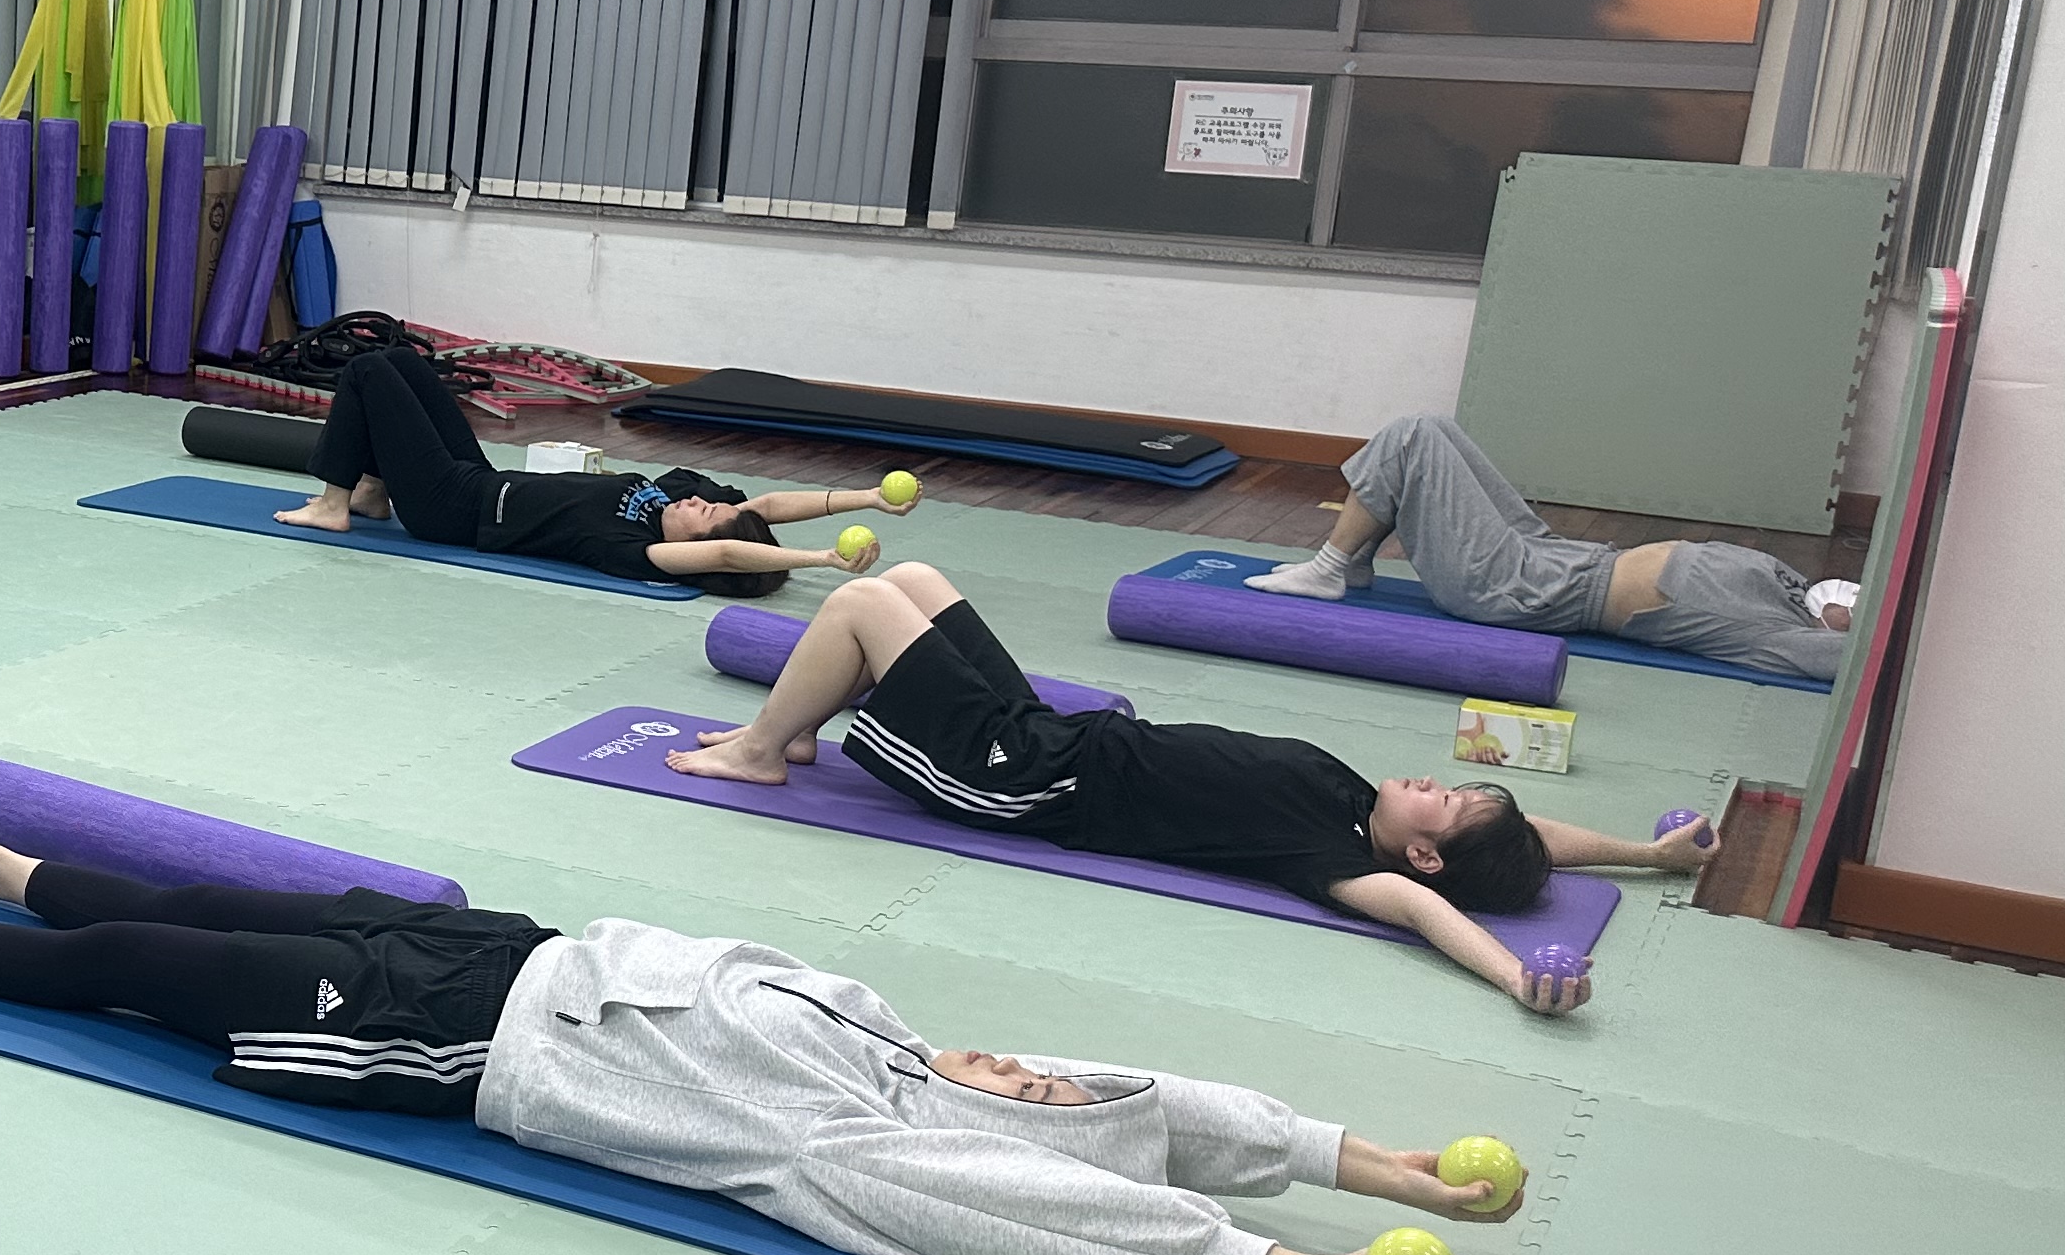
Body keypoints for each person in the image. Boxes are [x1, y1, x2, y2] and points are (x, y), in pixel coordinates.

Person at [0, 767, 1506, 1255]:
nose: (1032, 1072)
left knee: (153, 966)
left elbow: (1074, 1210)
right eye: (1048, 1073)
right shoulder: (894, 1041)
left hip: (465, 1047)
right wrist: (1374, 1162)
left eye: (1039, 1098)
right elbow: (1164, 1110)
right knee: (231, 898)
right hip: (514, 946)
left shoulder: (869, 1150)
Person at [667, 564, 1708, 1012]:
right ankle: (798, 726)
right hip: (1053, 730)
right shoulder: (1359, 803)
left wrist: (1518, 979)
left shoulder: (1334, 859)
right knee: (914, 582)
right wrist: (1647, 854)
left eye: (1443, 803)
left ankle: (763, 748)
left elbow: (1432, 914)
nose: (1433, 782)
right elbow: (1531, 838)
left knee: (860, 601)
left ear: (1423, 853)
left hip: (1020, 777)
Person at [1250, 409, 1855, 684]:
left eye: (1858, 613)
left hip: (1524, 590)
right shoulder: (1801, 592)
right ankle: (1353, 562)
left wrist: (1859, 636)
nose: (1852, 605)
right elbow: (1844, 600)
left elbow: (1864, 665)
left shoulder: (1780, 636)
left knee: (1411, 438)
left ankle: (1329, 568)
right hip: (1557, 555)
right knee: (1435, 428)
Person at [272, 345, 903, 593]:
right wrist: (868, 498)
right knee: (403, 362)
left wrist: (822, 560)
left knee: (367, 372)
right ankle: (373, 492)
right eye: (709, 503)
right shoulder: (664, 500)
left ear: (691, 550)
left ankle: (334, 505)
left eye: (704, 514)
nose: (698, 501)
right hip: (478, 476)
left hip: (449, 508)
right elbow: (761, 509)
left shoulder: (632, 550)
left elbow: (728, 553)